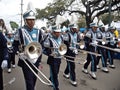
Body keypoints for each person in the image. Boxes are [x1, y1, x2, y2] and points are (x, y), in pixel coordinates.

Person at [13, 8, 44, 90]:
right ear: (25, 20)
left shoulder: (39, 31)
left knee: (34, 78)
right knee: (29, 81)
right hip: (26, 59)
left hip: (36, 59)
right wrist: (18, 53)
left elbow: (42, 45)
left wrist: (40, 58)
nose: (32, 22)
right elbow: (15, 45)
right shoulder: (20, 31)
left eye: (33, 19)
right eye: (29, 20)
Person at [43, 25, 64, 90]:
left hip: (59, 58)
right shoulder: (49, 40)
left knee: (56, 72)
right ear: (53, 32)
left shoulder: (61, 38)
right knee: (55, 74)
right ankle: (56, 87)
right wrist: (50, 53)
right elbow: (44, 50)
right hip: (52, 59)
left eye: (59, 32)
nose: (58, 33)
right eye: (56, 32)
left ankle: (50, 80)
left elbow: (62, 47)